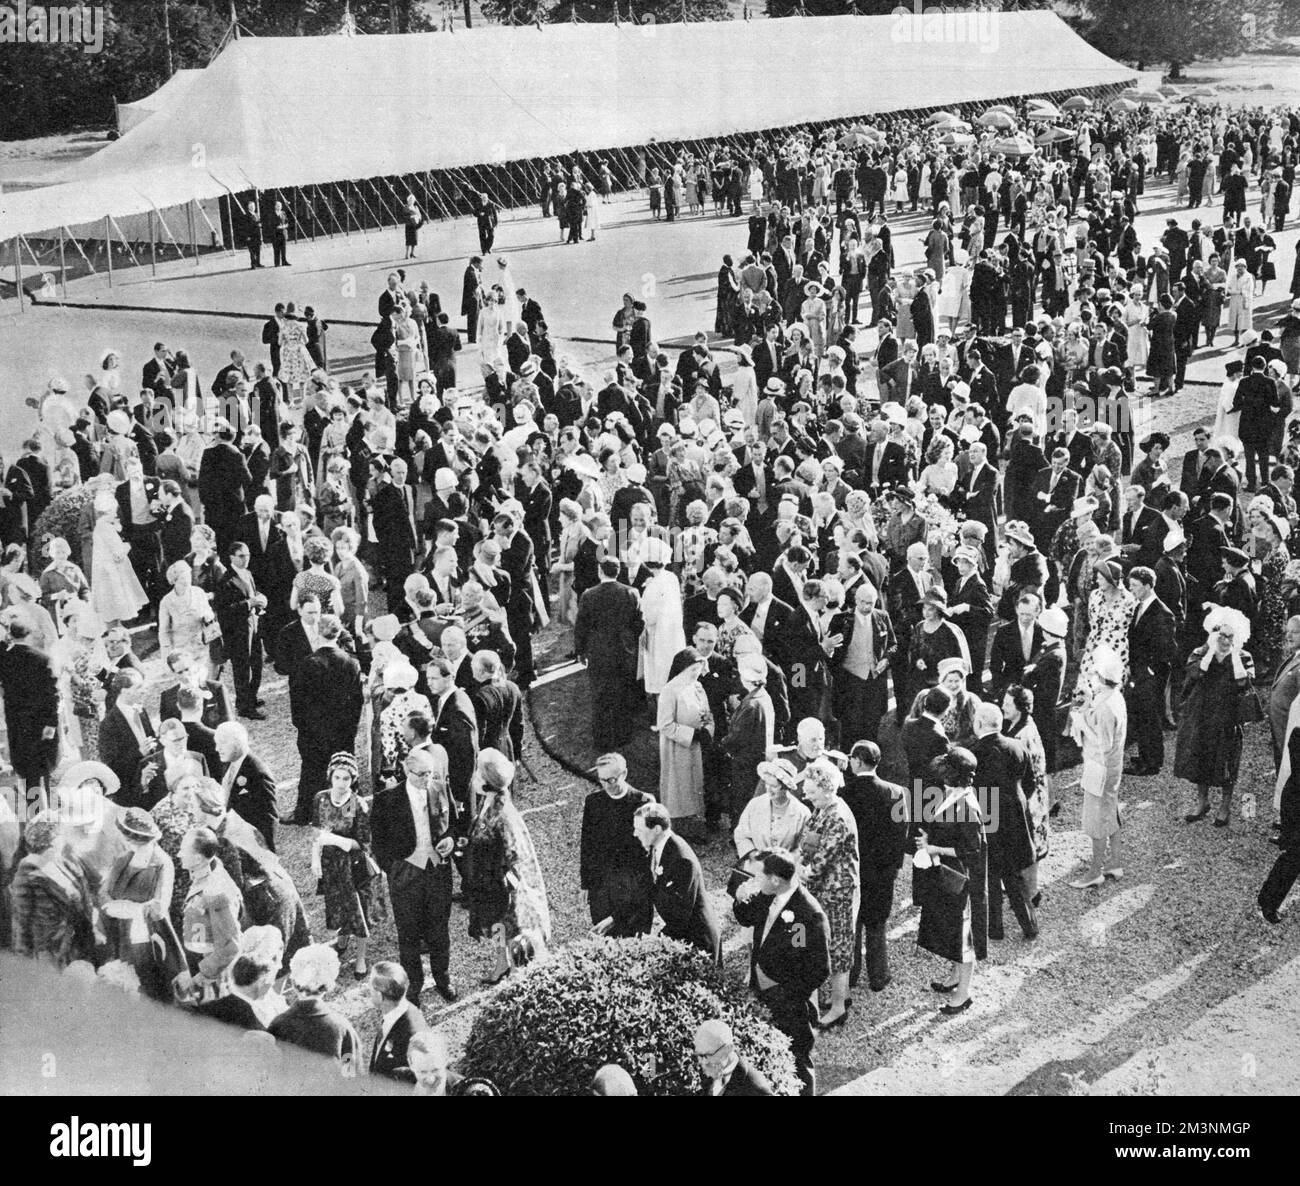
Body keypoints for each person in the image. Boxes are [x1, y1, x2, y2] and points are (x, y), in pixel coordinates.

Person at [731, 848, 831, 1096]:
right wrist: (740, 897)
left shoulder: (806, 914)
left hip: (790, 1002)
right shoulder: (768, 893)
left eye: (759, 876)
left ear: (776, 879)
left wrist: (781, 991)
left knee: (797, 1060)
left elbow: (817, 969)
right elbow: (746, 917)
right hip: (761, 990)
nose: (755, 881)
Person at [371, 745, 458, 1005]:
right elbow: (379, 844)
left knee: (439, 931)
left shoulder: (440, 788)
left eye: (430, 774)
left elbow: (454, 822)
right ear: (406, 770)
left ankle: (443, 979)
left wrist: (451, 840)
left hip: (437, 872)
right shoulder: (387, 800)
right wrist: (394, 869)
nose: (426, 780)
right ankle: (414, 987)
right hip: (406, 876)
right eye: (420, 774)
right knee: (408, 935)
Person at [464, 749, 552, 984]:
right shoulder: (490, 803)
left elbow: (515, 855)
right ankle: (501, 963)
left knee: (510, 930)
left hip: (502, 888)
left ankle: (516, 973)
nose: (474, 777)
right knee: (496, 927)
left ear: (486, 781)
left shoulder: (503, 815)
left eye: (478, 772)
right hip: (489, 882)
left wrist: (505, 887)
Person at [914, 747, 988, 1015]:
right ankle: (956, 976)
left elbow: (971, 851)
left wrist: (934, 849)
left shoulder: (967, 806)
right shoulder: (955, 795)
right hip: (951, 876)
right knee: (954, 932)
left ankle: (964, 993)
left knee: (965, 935)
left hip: (963, 881)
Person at [1174, 606, 1261, 829]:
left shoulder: (1243, 657)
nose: (1224, 639)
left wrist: (1232, 654)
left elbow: (1244, 682)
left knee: (1227, 761)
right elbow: (1195, 673)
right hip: (1202, 714)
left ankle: (1225, 806)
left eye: (1230, 635)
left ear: (1237, 637)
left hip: (1227, 716)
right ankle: (1202, 802)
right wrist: (1211, 651)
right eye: (1221, 634)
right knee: (1200, 758)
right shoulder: (1201, 652)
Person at [797, 757, 860, 1029]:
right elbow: (806, 844)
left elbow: (818, 863)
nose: (806, 796)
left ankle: (837, 1008)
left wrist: (796, 871)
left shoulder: (837, 817)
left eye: (811, 792)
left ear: (827, 789)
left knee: (839, 947)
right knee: (833, 944)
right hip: (824, 890)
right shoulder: (822, 809)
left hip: (837, 893)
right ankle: (841, 996)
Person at [842, 741, 908, 993]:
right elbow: (901, 833)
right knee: (877, 924)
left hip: (855, 870)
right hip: (882, 871)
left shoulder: (845, 794)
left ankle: (851, 974)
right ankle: (879, 976)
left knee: (853, 925)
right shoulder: (896, 793)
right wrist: (894, 866)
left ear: (858, 761)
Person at [970, 702, 1039, 942]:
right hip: (1015, 817)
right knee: (1013, 874)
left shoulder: (974, 753)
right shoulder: (1017, 747)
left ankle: (995, 928)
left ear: (979, 723)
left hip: (988, 819)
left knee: (990, 874)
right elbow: (1029, 783)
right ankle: (1029, 925)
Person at [289, 613, 363, 825]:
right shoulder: (351, 663)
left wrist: (303, 728)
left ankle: (304, 814)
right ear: (339, 633)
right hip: (343, 732)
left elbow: (298, 704)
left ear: (317, 634)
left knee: (310, 772)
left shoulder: (307, 664)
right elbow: (357, 701)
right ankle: (349, 815)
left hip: (313, 732)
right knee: (347, 774)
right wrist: (350, 730)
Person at [1068, 644, 1127, 888]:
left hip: (1100, 767)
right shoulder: (1114, 697)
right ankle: (1114, 862)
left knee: (1096, 821)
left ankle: (1094, 872)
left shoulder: (1105, 707)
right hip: (1111, 766)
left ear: (1102, 679)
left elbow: (1103, 744)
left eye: (1095, 675)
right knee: (1110, 812)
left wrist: (1081, 722)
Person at [312, 751, 375, 980]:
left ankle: (360, 957)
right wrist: (314, 856)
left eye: (346, 778)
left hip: (352, 866)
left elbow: (364, 844)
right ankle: (342, 939)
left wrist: (337, 840)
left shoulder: (357, 804)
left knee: (357, 911)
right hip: (330, 866)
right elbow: (318, 830)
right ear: (330, 777)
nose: (341, 783)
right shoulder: (320, 798)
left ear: (353, 779)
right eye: (337, 777)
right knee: (337, 906)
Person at [633, 800, 721, 965]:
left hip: (697, 940)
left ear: (657, 829)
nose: (635, 834)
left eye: (639, 829)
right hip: (682, 935)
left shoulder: (681, 860)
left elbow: (679, 916)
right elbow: (646, 889)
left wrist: (655, 942)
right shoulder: (656, 845)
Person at [580, 753, 654, 937]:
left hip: (632, 885)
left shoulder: (643, 802)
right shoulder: (593, 802)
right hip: (603, 886)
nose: (607, 785)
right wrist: (586, 883)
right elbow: (587, 845)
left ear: (624, 774)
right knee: (605, 938)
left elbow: (648, 855)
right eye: (602, 780)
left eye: (612, 780)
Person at [176, 826, 244, 1003]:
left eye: (183, 851)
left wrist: (199, 978)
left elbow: (230, 947)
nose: (178, 855)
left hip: (213, 975)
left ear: (198, 858)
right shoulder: (205, 873)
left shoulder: (216, 890)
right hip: (202, 962)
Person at [268, 945, 362, 1071]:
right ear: (329, 985)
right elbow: (351, 1076)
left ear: (294, 983)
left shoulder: (277, 1025)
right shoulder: (343, 1030)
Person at [1125, 566, 1176, 776]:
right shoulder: (1140, 606)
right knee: (1141, 714)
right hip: (1140, 671)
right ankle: (1145, 755)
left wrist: (1149, 670)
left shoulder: (1162, 613)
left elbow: (1166, 649)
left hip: (1151, 673)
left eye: (1135, 586)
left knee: (1150, 716)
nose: (1131, 589)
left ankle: (1152, 762)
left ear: (1148, 586)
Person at [214, 721, 279, 853]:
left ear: (238, 743)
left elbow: (269, 818)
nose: (217, 748)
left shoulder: (257, 774)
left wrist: (266, 853)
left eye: (222, 743)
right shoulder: (231, 761)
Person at [367, 961, 428, 1081]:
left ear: (379, 996)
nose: (368, 991)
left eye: (370, 987)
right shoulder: (394, 1012)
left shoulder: (413, 1035)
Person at [693, 1018, 775, 1097]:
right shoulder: (710, 1070)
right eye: (699, 1055)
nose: (703, 1063)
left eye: (707, 1055)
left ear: (728, 1049)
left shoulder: (757, 1090)